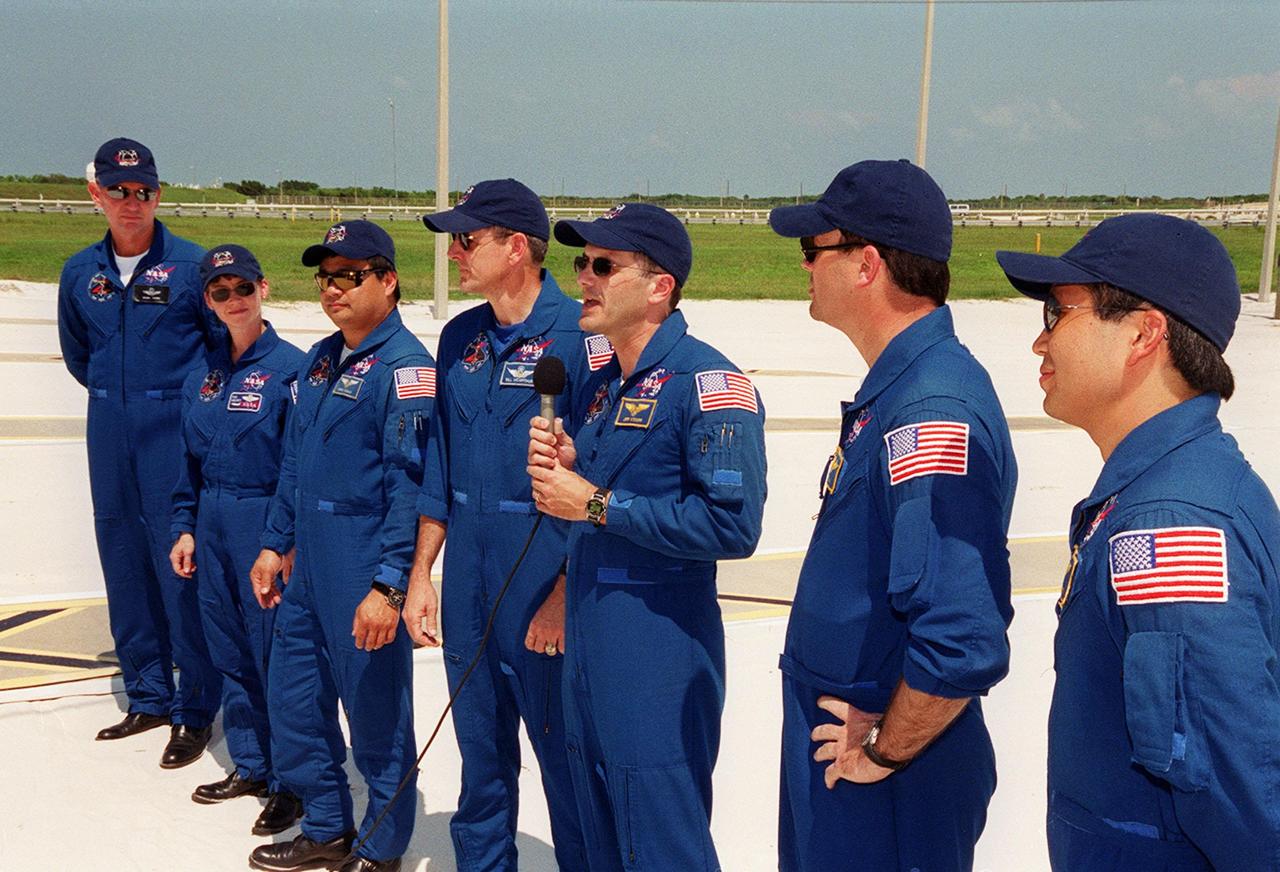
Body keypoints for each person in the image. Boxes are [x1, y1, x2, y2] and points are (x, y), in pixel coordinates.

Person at [996, 213, 1280, 870]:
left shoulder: (1170, 522)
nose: (1042, 344)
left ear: (1143, 334)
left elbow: (1236, 787)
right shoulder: (1171, 484)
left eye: (1057, 312)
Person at [767, 159, 1018, 871]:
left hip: (887, 778)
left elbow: (961, 633)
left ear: (866, 264)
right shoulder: (901, 393)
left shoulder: (930, 414)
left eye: (813, 251)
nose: (805, 266)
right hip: (851, 749)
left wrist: (885, 748)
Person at [527, 203, 767, 871]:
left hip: (657, 644)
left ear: (661, 286)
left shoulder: (711, 385)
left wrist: (596, 502)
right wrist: (574, 472)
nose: (585, 278)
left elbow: (732, 524)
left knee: (660, 839)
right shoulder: (606, 387)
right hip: (593, 636)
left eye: (605, 265)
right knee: (600, 830)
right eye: (581, 262)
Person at [409, 179, 588, 870]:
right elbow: (438, 468)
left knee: (565, 762)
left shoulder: (581, 338)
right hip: (469, 585)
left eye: (467, 239)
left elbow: (599, 475)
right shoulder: (459, 338)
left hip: (542, 581)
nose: (454, 252)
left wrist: (567, 592)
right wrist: (421, 575)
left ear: (518, 248)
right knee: (479, 756)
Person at [246, 221, 434, 872]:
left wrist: (389, 584)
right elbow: (294, 461)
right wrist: (274, 544)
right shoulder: (322, 358)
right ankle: (327, 826)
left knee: (377, 719)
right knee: (295, 701)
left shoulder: (407, 371)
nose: (334, 289)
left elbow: (409, 489)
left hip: (363, 556)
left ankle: (381, 850)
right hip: (310, 563)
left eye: (350, 276)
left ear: (388, 280)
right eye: (325, 276)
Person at [57, 137, 222, 767]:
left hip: (171, 427)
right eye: (120, 191)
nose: (133, 203)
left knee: (177, 560)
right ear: (96, 193)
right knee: (121, 553)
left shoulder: (191, 266)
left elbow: (220, 349)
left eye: (145, 191)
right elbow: (79, 355)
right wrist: (117, 396)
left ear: (158, 192)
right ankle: (148, 692)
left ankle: (196, 707)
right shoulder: (81, 272)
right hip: (108, 422)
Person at [168, 244, 304, 834]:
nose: (233, 300)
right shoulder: (200, 374)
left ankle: (294, 781)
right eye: (220, 292)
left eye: (242, 288)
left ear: (263, 288)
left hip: (263, 519)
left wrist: (284, 540)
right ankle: (251, 761)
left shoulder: (294, 369)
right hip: (212, 518)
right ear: (208, 300)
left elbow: (299, 466)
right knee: (229, 648)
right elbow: (186, 465)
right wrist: (184, 527)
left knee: (276, 654)